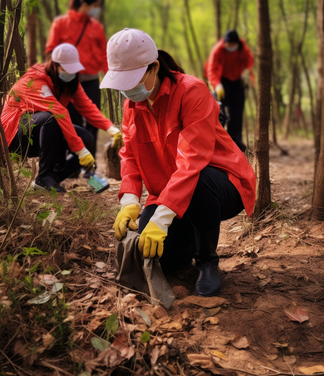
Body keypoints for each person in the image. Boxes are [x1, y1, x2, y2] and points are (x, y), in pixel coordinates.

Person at [101, 28, 256, 297]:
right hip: (169, 194)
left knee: (200, 179)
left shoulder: (191, 91)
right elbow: (129, 157)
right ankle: (184, 244)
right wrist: (129, 201)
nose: (128, 90)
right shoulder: (131, 108)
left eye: (133, 79)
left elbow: (192, 161)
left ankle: (207, 261)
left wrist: (162, 218)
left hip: (220, 185)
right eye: (122, 82)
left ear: (155, 67)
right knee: (158, 255)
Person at [1, 43, 121, 193]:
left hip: (43, 130)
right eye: (65, 68)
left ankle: (53, 178)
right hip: (14, 134)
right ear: (54, 65)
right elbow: (59, 111)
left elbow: (87, 107)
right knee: (52, 118)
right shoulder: (34, 80)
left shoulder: (70, 83)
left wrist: (112, 129)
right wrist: (81, 151)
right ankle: (44, 178)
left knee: (86, 137)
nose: (70, 72)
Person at [45, 0, 108, 156]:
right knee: (73, 121)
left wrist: (109, 77)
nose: (96, 10)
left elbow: (103, 54)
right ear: (85, 6)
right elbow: (51, 49)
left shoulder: (96, 26)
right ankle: (73, 160)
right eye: (95, 7)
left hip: (91, 79)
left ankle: (90, 167)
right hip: (68, 80)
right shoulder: (61, 23)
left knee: (93, 121)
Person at [205, 29, 254, 152]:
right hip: (221, 81)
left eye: (232, 45)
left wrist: (246, 72)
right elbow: (211, 69)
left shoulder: (242, 47)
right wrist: (216, 85)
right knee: (219, 113)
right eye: (228, 45)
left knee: (236, 114)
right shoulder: (218, 49)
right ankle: (218, 143)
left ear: (237, 43)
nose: (230, 47)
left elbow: (249, 59)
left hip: (238, 81)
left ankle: (236, 143)